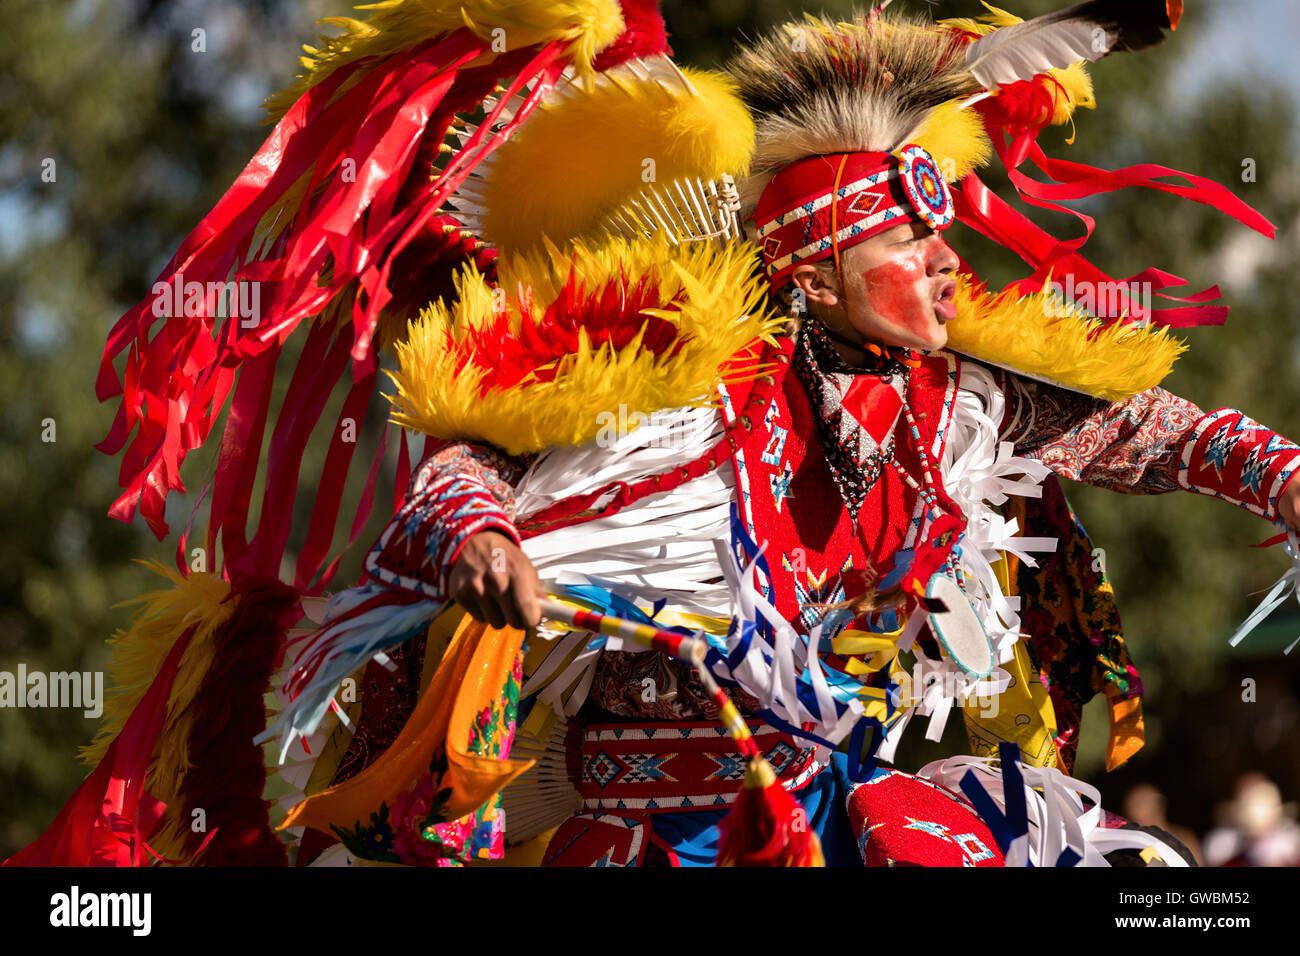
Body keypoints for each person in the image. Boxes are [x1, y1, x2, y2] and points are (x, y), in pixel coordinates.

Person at [9, 1, 1297, 869]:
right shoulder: (685, 396)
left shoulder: (958, 402)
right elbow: (467, 462)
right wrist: (483, 535)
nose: (943, 264)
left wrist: (1283, 476)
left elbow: (1155, 431)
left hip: (831, 806)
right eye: (910, 241)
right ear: (816, 267)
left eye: (941, 234)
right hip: (643, 829)